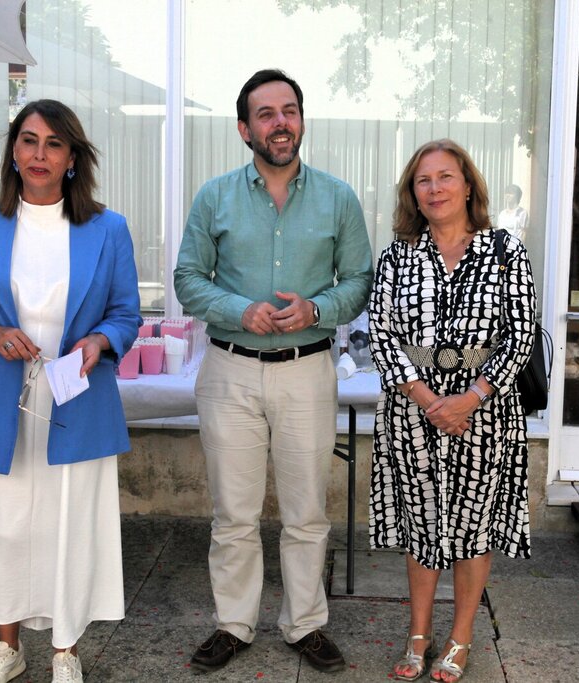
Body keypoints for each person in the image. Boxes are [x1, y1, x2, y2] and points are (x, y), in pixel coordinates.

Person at [0, 99, 142, 683]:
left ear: (72, 158)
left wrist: (100, 342)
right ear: (13, 152)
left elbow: (126, 314)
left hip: (76, 400)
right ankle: (7, 648)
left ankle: (66, 651)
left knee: (70, 526)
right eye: (29, 141)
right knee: (5, 527)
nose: (40, 154)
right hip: (4, 403)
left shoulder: (108, 228)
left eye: (54, 144)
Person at [174, 68, 373, 674]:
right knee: (233, 512)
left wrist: (318, 309)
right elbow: (187, 279)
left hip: (306, 370)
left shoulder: (338, 197)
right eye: (266, 114)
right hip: (230, 371)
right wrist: (239, 309)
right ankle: (234, 623)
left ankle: (304, 623)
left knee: (306, 510)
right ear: (245, 129)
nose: (280, 123)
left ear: (301, 121)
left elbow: (360, 281)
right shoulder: (215, 197)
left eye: (289, 111)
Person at [368, 139, 534, 682]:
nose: (434, 188)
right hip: (411, 412)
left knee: (473, 526)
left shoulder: (505, 251)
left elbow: (520, 335)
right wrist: (428, 400)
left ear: (467, 186)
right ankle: (418, 634)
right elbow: (382, 336)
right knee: (422, 523)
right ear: (412, 193)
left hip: (484, 413)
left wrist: (469, 398)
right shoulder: (396, 257)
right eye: (424, 180)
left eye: (445, 177)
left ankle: (461, 636)